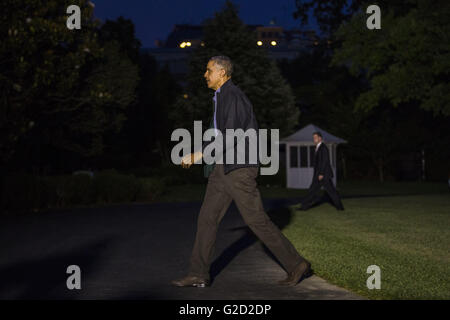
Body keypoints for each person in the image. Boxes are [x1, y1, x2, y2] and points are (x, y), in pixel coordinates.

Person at [171, 55, 312, 288]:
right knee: (207, 218)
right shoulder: (221, 97)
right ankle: (198, 273)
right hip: (221, 168)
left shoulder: (233, 96)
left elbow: (231, 135)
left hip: (238, 169)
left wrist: (199, 155)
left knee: (256, 220)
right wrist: (203, 152)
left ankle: (296, 264)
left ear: (222, 73)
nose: (205, 75)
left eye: (208, 71)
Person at [300, 131, 344, 211]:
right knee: (312, 190)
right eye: (313, 138)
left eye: (315, 137)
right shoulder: (318, 148)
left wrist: (321, 173)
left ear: (320, 138)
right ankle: (304, 207)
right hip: (318, 174)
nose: (314, 139)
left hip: (323, 175)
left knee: (331, 192)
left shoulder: (323, 148)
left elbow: (325, 161)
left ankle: (340, 207)